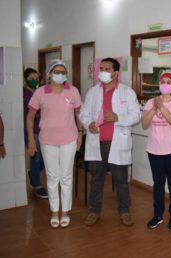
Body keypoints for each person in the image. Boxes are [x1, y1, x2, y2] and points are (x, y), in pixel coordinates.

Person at [80, 57, 141, 227]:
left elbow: (136, 115)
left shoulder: (127, 92)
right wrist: (88, 124)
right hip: (96, 142)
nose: (103, 72)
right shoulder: (92, 92)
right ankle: (94, 211)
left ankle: (124, 211)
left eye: (107, 69)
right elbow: (83, 113)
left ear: (115, 73)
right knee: (96, 180)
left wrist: (117, 117)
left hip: (117, 143)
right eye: (102, 68)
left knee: (121, 180)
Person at [27, 59, 83, 228]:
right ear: (49, 74)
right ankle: (54, 211)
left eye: (63, 72)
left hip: (69, 139)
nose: (60, 75)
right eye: (56, 72)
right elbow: (30, 118)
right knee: (52, 177)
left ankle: (65, 211)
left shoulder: (73, 91)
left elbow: (79, 115)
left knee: (66, 176)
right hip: (47, 141)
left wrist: (80, 135)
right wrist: (31, 140)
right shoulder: (40, 92)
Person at [141, 72, 171, 231]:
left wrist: (162, 107)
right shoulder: (150, 102)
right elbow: (144, 124)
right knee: (158, 184)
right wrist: (154, 107)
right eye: (162, 81)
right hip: (154, 150)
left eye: (168, 82)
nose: (165, 84)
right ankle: (158, 215)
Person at [23, 67, 48, 198]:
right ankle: (38, 186)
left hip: (43, 129)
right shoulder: (23, 94)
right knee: (36, 157)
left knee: (45, 157)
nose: (35, 81)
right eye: (31, 79)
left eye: (37, 79)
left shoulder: (40, 92)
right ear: (25, 79)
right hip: (31, 130)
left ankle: (33, 174)